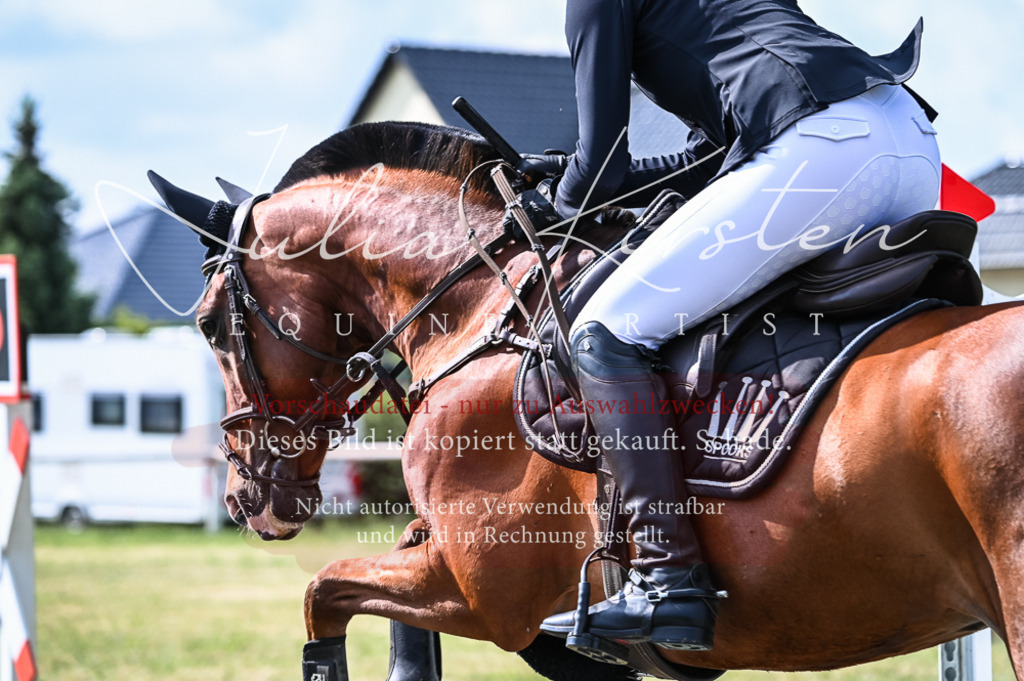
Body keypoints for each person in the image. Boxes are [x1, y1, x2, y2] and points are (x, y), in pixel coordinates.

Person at [531, 0, 942, 660]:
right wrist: (584, 179)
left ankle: (666, 577)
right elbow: (711, 158)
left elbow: (599, 167)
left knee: (605, 332)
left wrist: (556, 196)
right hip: (908, 137)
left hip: (823, 149)